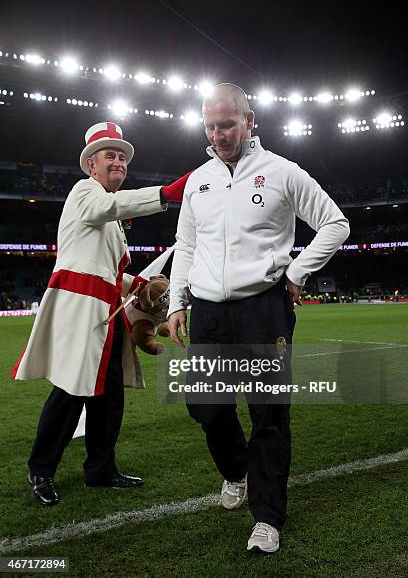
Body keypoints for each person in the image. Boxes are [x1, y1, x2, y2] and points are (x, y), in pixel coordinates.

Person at [168, 84, 350, 553]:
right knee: (205, 407)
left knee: (268, 414)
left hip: (263, 308)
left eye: (226, 123)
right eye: (210, 125)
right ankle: (237, 471)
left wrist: (298, 270)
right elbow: (186, 246)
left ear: (250, 120)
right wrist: (176, 301)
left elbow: (335, 222)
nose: (218, 133)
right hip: (207, 311)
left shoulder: (282, 172)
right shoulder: (198, 180)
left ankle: (267, 518)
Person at [13, 121, 190, 506]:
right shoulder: (85, 192)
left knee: (109, 396)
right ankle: (40, 470)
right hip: (82, 308)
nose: (119, 162)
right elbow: (107, 210)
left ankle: (100, 469)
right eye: (110, 155)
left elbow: (105, 270)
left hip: (105, 313)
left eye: (123, 157)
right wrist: (164, 193)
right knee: (69, 392)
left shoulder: (106, 210)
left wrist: (135, 285)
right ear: (90, 165)